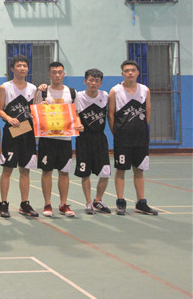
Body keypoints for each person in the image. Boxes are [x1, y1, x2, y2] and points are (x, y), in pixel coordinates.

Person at [109, 59, 157, 216]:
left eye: (133, 70)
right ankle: (120, 201)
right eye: (127, 70)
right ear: (122, 73)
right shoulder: (115, 91)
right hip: (122, 138)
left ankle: (141, 203)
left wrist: (140, 129)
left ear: (137, 73)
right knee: (121, 170)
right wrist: (117, 132)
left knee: (139, 170)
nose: (130, 73)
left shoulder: (144, 90)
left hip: (140, 138)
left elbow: (147, 112)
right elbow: (111, 115)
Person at [35, 62, 81, 217]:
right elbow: (35, 112)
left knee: (64, 172)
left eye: (60, 72)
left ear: (63, 74)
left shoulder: (72, 93)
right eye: (54, 72)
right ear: (49, 74)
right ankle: (47, 204)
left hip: (65, 139)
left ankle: (63, 204)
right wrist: (40, 106)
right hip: (47, 139)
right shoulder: (42, 92)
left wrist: (79, 124)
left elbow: (76, 113)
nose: (57, 75)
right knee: (47, 171)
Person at [0, 55, 39, 218]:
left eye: (25, 66)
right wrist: (8, 118)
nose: (22, 68)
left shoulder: (33, 88)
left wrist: (41, 108)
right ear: (12, 68)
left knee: (25, 170)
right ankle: (4, 204)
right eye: (19, 65)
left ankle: (25, 204)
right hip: (11, 133)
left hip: (27, 132)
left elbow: (34, 110)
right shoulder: (5, 87)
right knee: (7, 169)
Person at [74, 68, 112, 215]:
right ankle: (89, 202)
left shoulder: (105, 96)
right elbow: (74, 113)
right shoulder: (78, 96)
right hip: (84, 139)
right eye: (91, 80)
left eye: (97, 81)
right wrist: (78, 124)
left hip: (100, 139)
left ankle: (98, 200)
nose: (93, 83)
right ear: (85, 81)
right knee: (85, 173)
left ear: (101, 83)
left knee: (105, 172)